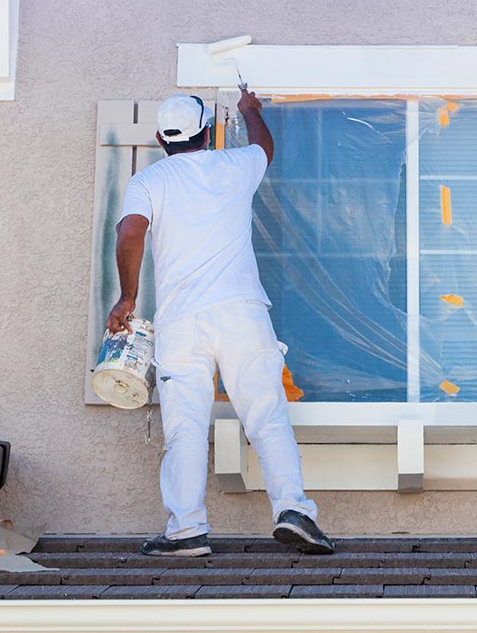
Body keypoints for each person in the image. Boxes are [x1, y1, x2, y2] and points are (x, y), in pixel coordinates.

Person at [107, 88, 333, 557]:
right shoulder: (234, 166)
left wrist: (127, 297)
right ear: (207, 133)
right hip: (242, 314)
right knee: (267, 416)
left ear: (159, 139)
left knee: (185, 428)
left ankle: (186, 531)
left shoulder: (148, 181)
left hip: (182, 323)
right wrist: (251, 111)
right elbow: (263, 148)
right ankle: (295, 511)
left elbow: (131, 231)